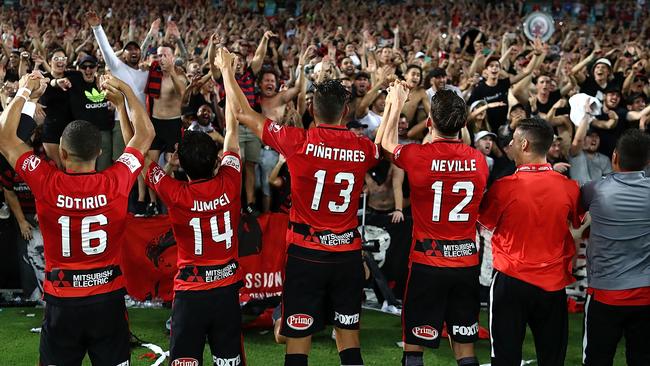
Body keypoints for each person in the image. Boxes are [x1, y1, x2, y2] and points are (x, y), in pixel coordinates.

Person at [219, 47, 380, 366]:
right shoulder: (364, 148)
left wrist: (226, 70)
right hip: (347, 254)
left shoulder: (297, 141)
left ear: (312, 109)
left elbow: (241, 113)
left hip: (306, 254)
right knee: (350, 345)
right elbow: (384, 149)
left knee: (296, 344)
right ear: (346, 110)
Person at [0, 71, 154, 365]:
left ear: (65, 155)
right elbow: (145, 134)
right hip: (107, 302)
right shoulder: (117, 180)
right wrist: (124, 91)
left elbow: (5, 137)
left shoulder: (46, 180)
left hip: (62, 303)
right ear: (98, 152)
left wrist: (24, 91)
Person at [143, 69, 245, 364]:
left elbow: (138, 152)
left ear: (180, 165)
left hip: (190, 293)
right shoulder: (230, 180)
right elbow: (232, 129)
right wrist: (227, 74)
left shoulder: (175, 192)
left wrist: (127, 98)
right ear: (216, 162)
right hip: (226, 290)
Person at [380, 88, 488, 366]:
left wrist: (394, 105)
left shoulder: (419, 156)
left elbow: (386, 144)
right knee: (465, 349)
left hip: (427, 262)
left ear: (429, 122)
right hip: (465, 263)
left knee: (414, 348)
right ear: (464, 124)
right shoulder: (478, 161)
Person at [479, 118, 581, 366]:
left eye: (513, 140)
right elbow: (576, 223)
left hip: (511, 281)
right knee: (552, 358)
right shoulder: (570, 188)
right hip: (552, 284)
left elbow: (486, 223)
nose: (509, 145)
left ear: (524, 144)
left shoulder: (503, 188)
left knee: (504, 357)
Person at [580, 129, 650, 366]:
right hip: (645, 293)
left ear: (615, 157)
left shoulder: (594, 189)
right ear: (648, 161)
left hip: (605, 294)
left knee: (597, 360)